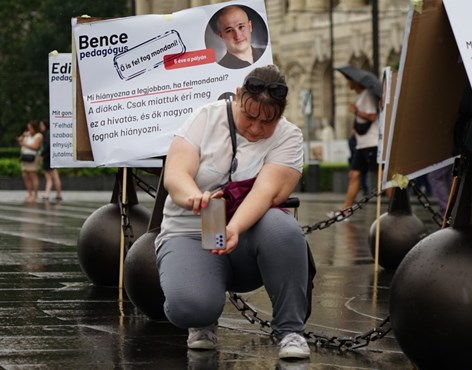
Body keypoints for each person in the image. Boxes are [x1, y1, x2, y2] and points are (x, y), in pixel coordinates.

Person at [154, 65, 312, 359]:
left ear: (281, 114)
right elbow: (175, 174)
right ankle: (202, 319)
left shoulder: (289, 137)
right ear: (237, 96)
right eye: (249, 116)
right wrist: (195, 198)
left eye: (268, 121)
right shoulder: (205, 118)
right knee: (190, 305)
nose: (256, 128)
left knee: (284, 229)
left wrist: (234, 228)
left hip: (250, 237)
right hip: (191, 231)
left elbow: (265, 192)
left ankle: (291, 331)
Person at [330, 78, 379, 218]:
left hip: (371, 142)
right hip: (362, 143)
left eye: (350, 80)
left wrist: (355, 111)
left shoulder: (367, 95)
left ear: (356, 82)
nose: (348, 83)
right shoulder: (361, 96)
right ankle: (345, 209)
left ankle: (398, 208)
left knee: (380, 175)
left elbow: (372, 116)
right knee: (354, 174)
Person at [17, 120, 42, 203]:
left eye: (30, 128)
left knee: (32, 175)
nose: (29, 130)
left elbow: (35, 146)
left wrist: (24, 145)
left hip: (33, 157)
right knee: (25, 175)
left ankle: (35, 195)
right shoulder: (27, 135)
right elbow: (19, 142)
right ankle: (29, 193)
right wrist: (23, 137)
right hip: (24, 157)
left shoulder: (38, 136)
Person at [39, 120, 62, 202]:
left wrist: (42, 154)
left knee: (53, 176)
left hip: (49, 158)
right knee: (52, 177)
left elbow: (48, 146)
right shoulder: (48, 134)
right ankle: (50, 194)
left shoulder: (47, 134)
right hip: (49, 157)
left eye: (41, 125)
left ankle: (51, 194)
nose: (40, 127)